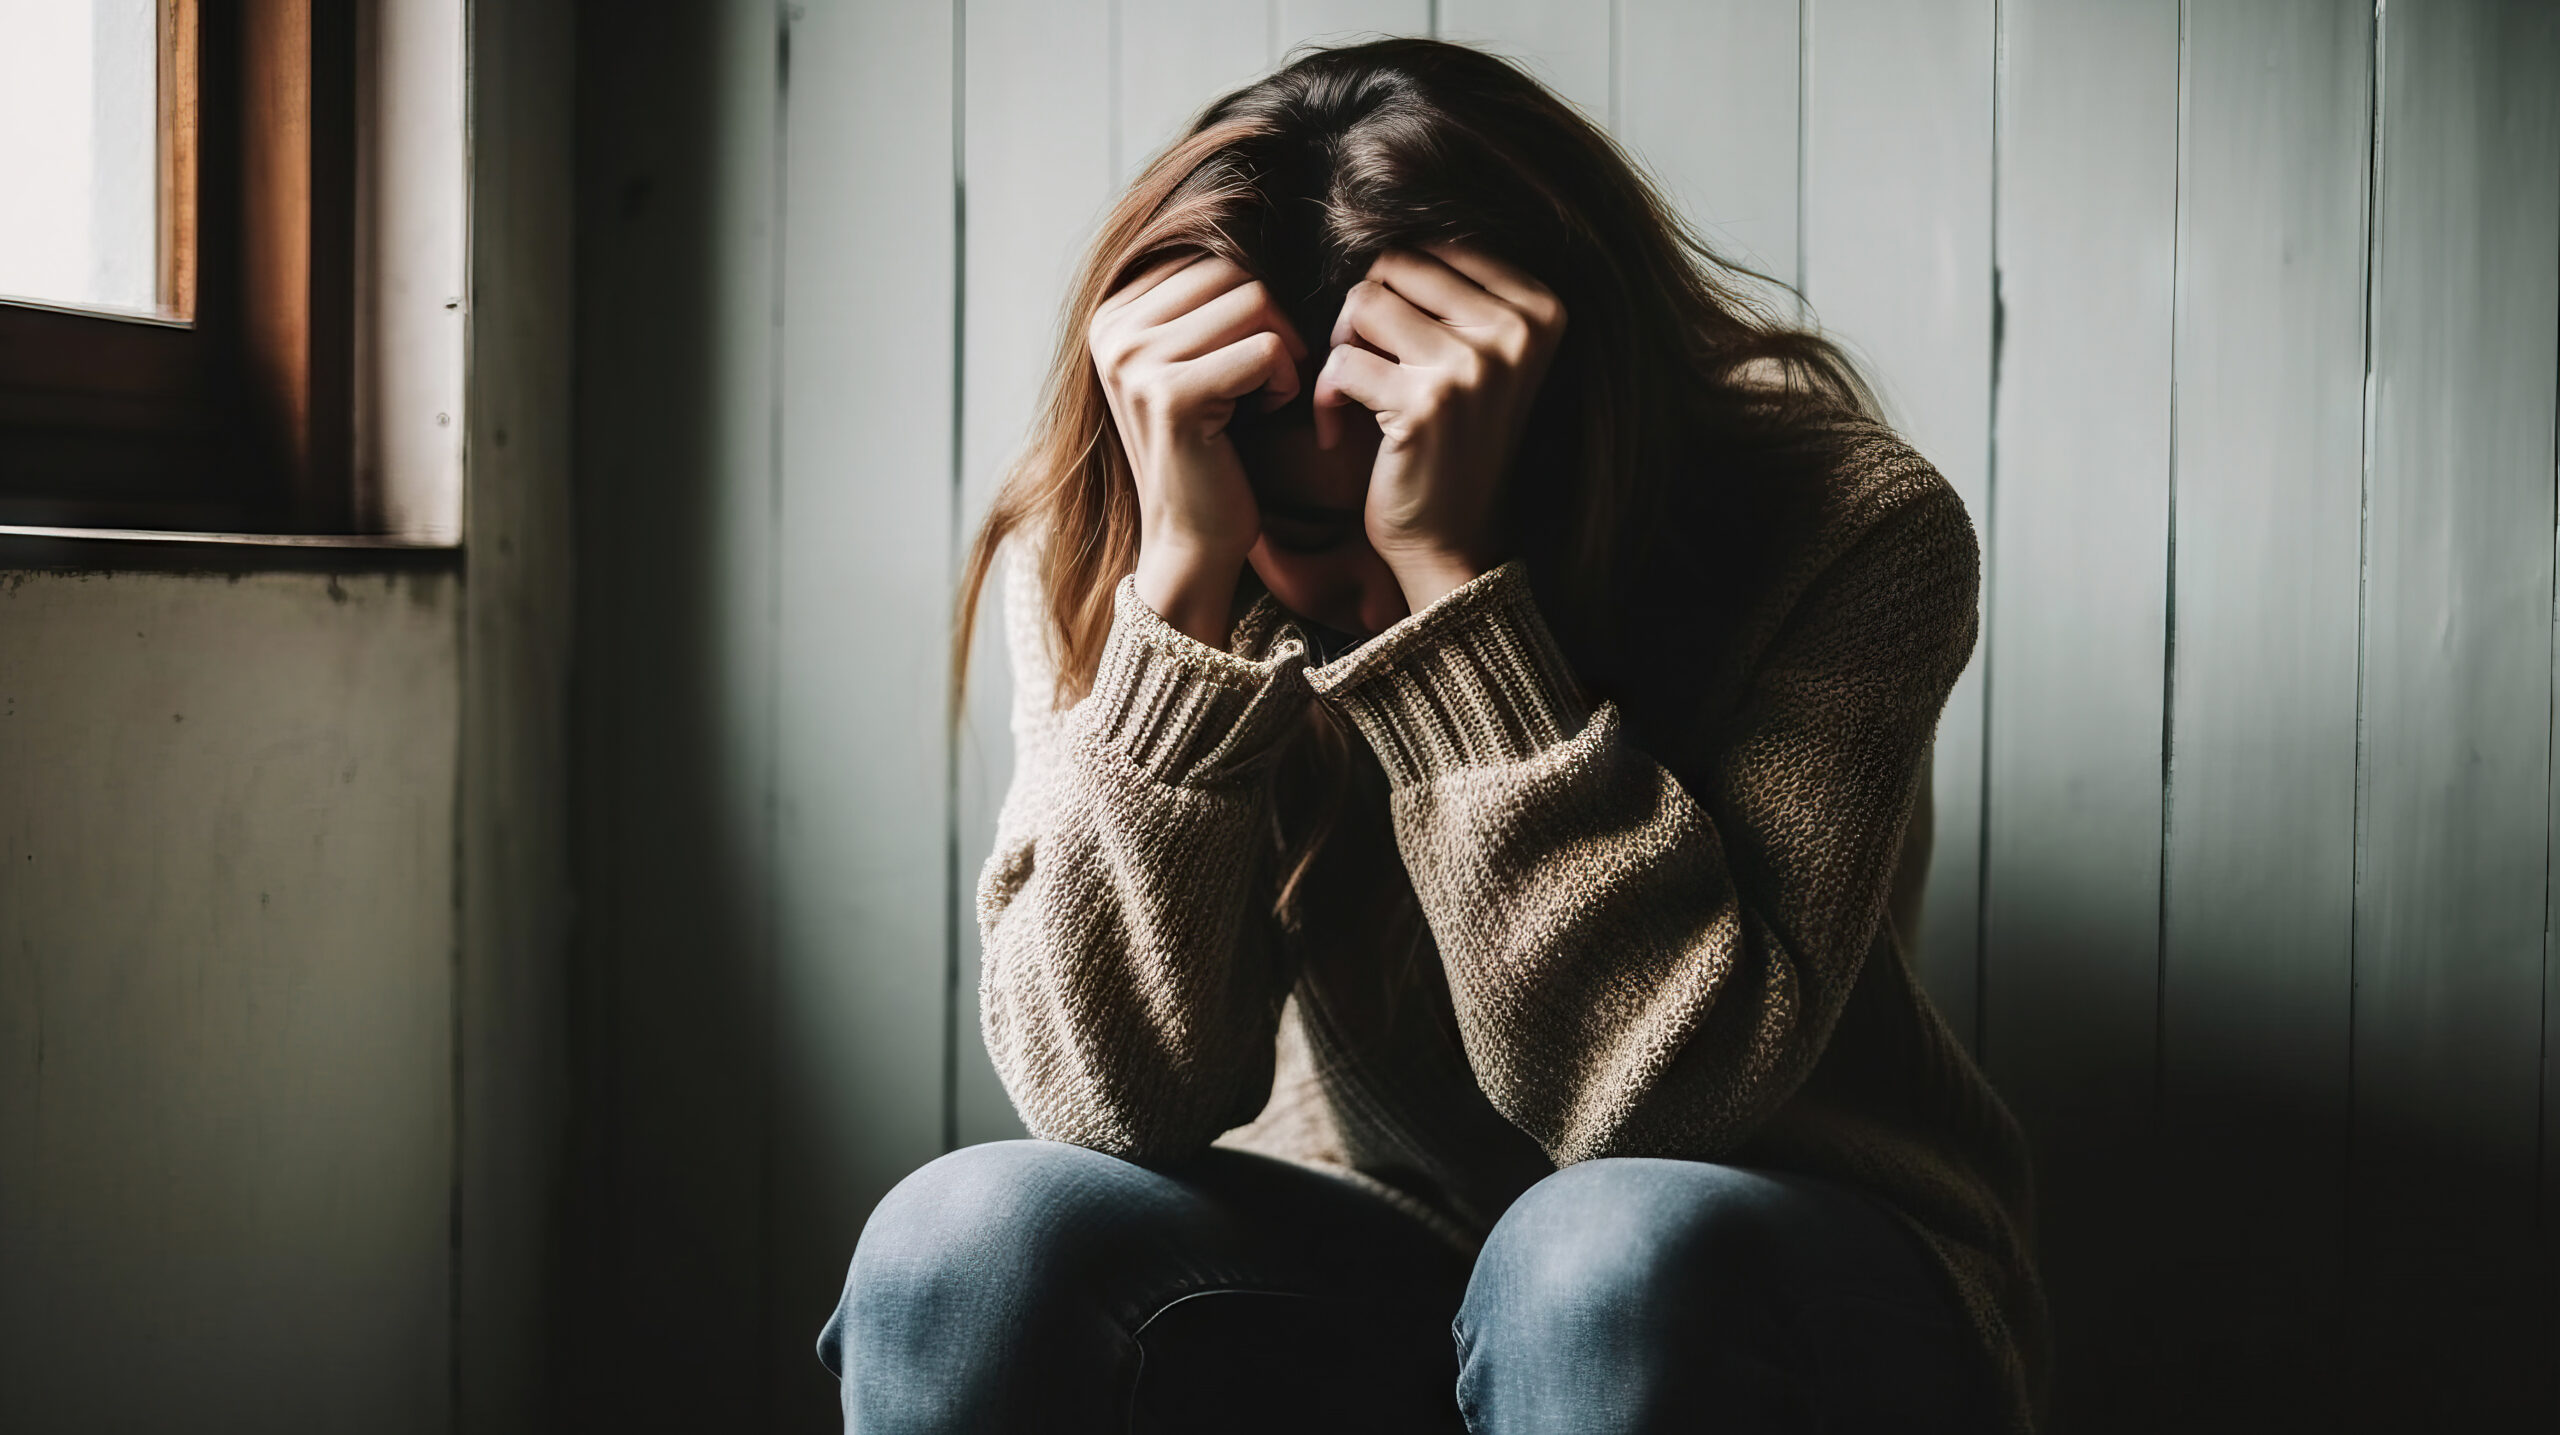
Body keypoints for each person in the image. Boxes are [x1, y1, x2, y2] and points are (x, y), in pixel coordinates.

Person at [819, 36, 2044, 1435]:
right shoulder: (1134, 541)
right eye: (1291, 529)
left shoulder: (1847, 526)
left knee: (1595, 1263)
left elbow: (1661, 1102)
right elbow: (1110, 1100)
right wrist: (1180, 604)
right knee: (964, 1244)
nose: (1329, 594)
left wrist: (1449, 595)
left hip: (1785, 1251)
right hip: (1382, 1240)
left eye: (1377, 514)